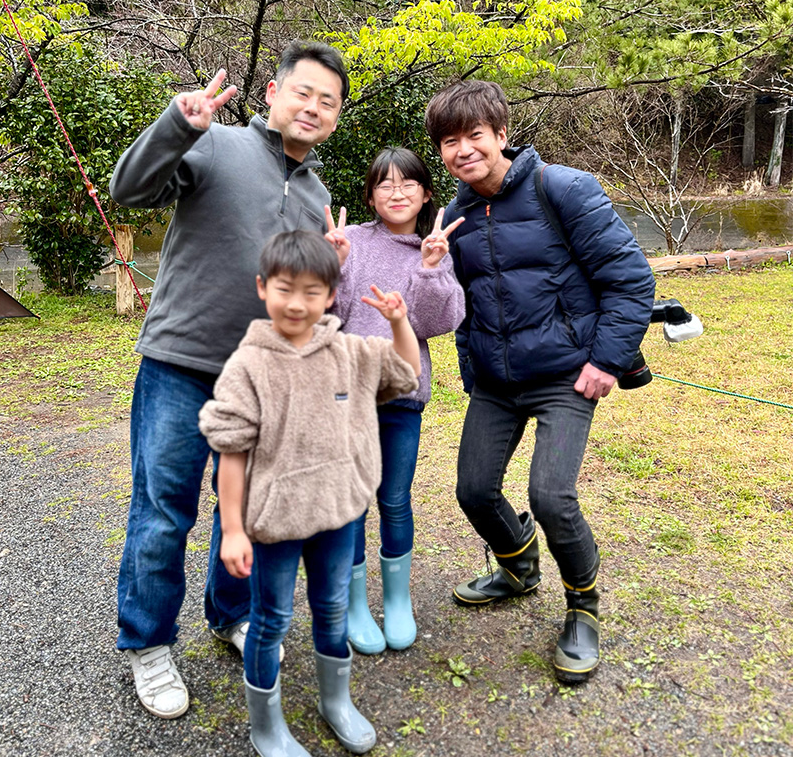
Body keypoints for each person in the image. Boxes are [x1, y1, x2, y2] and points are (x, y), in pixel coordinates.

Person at [108, 41, 350, 719]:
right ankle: (148, 643)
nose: (313, 107)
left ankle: (231, 614)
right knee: (163, 513)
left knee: (245, 512)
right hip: (182, 364)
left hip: (264, 378)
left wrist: (335, 267)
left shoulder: (316, 194)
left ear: (334, 117)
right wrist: (177, 124)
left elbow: (306, 297)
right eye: (303, 92)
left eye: (327, 101)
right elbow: (129, 189)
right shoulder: (215, 147)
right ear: (272, 94)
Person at [424, 80, 655, 683]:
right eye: (450, 141)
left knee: (550, 496)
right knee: (474, 491)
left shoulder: (564, 188)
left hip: (566, 376)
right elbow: (462, 302)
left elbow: (630, 280)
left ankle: (583, 607)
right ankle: (519, 566)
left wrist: (606, 360)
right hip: (497, 383)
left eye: (475, 135)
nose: (464, 150)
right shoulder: (455, 217)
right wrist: (472, 368)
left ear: (501, 134)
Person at [198, 230, 420, 756]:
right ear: (262, 288)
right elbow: (230, 453)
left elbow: (406, 372)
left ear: (330, 293)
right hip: (274, 524)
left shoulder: (350, 352)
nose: (297, 303)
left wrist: (398, 321)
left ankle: (335, 701)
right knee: (271, 620)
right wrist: (232, 530)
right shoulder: (247, 366)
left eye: (312, 291)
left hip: (339, 513)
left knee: (332, 610)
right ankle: (266, 725)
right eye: (285, 288)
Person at [327, 148, 465, 654]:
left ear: (426, 192)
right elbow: (327, 316)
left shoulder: (434, 247)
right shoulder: (353, 242)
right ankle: (355, 603)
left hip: (403, 396)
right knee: (352, 504)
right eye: (384, 184)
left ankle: (398, 599)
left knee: (395, 499)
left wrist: (430, 268)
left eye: (407, 183)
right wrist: (336, 266)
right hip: (347, 396)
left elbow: (438, 323)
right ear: (369, 195)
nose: (397, 192)